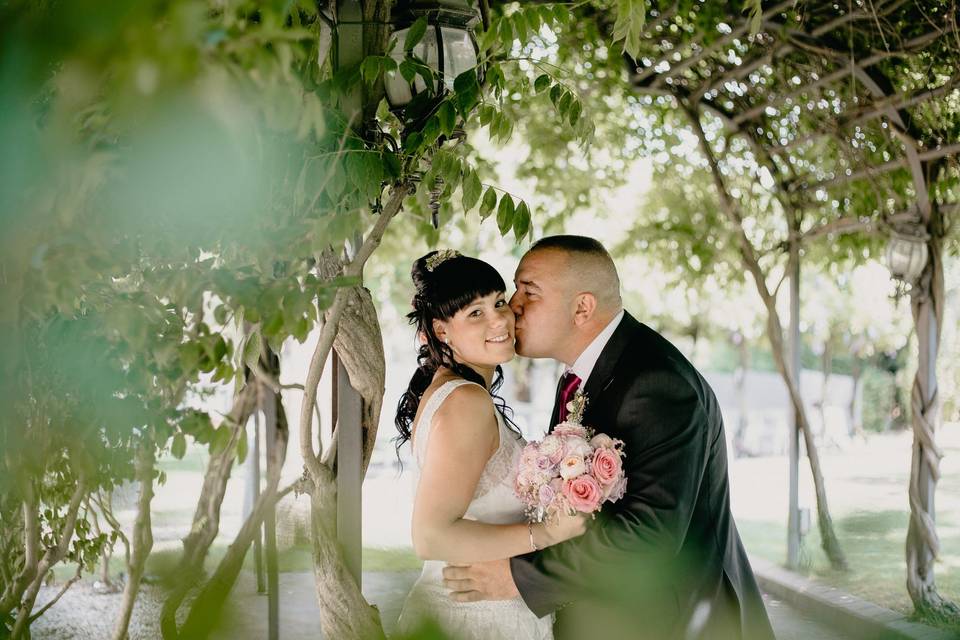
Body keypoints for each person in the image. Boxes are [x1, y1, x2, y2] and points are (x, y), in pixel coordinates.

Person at [441, 236, 776, 640]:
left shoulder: (657, 383)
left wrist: (518, 577)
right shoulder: (583, 373)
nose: (513, 305)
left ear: (582, 307)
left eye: (529, 291)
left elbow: (648, 537)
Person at [394, 249, 587, 640]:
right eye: (475, 313)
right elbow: (431, 536)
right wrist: (546, 534)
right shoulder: (465, 402)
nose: (499, 318)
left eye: (499, 302)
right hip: (473, 619)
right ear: (441, 330)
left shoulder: (453, 392)